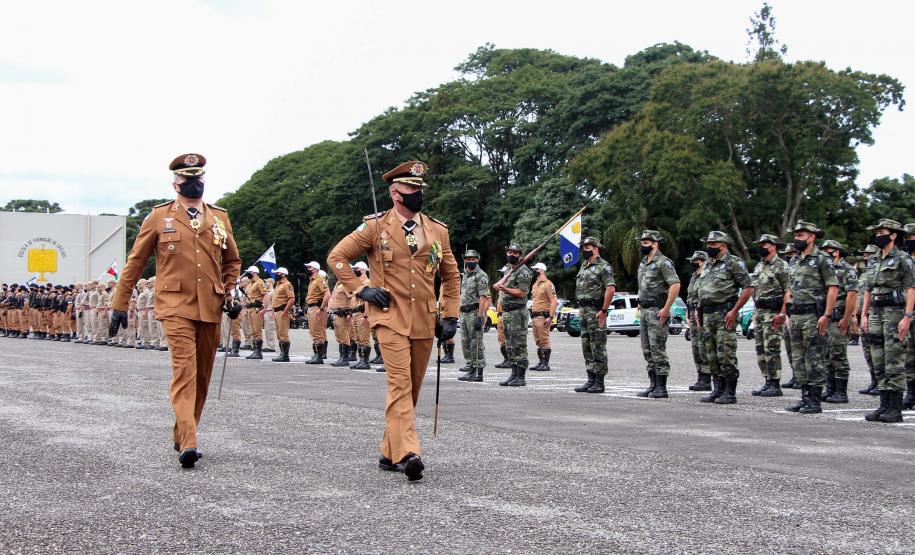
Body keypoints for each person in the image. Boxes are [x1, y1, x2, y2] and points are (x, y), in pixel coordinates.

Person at [327, 159, 460, 481]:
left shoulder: (437, 230)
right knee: (399, 383)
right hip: (389, 316)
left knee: (411, 388)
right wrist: (362, 289)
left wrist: (451, 315)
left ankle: (389, 450)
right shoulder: (375, 226)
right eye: (411, 188)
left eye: (419, 188)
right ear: (394, 192)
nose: (417, 192)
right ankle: (407, 453)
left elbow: (451, 275)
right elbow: (337, 257)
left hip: (424, 319)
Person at [108, 153, 241, 468]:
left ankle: (182, 432)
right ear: (175, 184)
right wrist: (119, 303)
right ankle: (190, 444)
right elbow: (135, 263)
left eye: (198, 178)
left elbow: (232, 261)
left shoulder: (219, 217)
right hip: (174, 305)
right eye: (187, 179)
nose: (194, 183)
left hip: (210, 305)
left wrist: (231, 290)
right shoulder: (158, 217)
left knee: (203, 377)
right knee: (185, 371)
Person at [860, 219, 915, 423]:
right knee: (879, 359)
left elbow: (911, 288)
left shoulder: (903, 259)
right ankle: (883, 405)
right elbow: (867, 289)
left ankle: (895, 408)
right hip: (875, 312)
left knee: (894, 360)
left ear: (893, 235)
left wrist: (907, 317)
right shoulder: (874, 259)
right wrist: (864, 315)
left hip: (894, 313)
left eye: (882, 232)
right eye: (876, 233)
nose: (877, 236)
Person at [784, 221, 839, 415]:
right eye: (796, 235)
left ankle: (815, 400)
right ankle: (805, 398)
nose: (797, 238)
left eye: (801, 235)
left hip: (813, 315)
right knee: (798, 359)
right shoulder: (795, 260)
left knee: (814, 359)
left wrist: (826, 314)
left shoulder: (822, 258)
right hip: (796, 314)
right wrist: (786, 313)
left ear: (812, 237)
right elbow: (789, 289)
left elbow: (833, 287)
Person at [695, 230, 753, 404]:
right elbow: (703, 288)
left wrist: (734, 310)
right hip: (707, 313)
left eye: (713, 244)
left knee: (725, 353)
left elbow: (748, 287)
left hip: (724, 313)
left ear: (723, 245)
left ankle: (729, 391)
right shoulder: (709, 264)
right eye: (708, 244)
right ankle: (717, 389)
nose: (709, 247)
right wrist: (699, 309)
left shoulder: (733, 263)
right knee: (711, 354)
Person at [635, 230, 681, 398]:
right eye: (642, 242)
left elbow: (675, 285)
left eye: (646, 243)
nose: (643, 245)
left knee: (658, 348)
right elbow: (643, 285)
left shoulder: (663, 262)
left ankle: (661, 387)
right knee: (647, 349)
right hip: (646, 310)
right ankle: (652, 384)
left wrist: (667, 308)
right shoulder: (644, 263)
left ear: (655, 244)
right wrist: (640, 302)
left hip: (657, 310)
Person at [573, 237, 616, 394]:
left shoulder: (603, 266)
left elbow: (610, 288)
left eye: (588, 247)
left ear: (596, 248)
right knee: (586, 346)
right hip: (584, 310)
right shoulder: (584, 266)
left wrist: (604, 310)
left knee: (598, 346)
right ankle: (590, 379)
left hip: (596, 310)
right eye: (583, 247)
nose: (585, 249)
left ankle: (599, 381)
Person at [749, 234, 790, 398]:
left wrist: (782, 313)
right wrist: (754, 313)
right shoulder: (759, 265)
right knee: (760, 349)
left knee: (771, 348)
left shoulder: (781, 265)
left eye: (765, 244)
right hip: (760, 311)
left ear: (774, 246)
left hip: (773, 312)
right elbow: (756, 290)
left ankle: (774, 383)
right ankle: (767, 380)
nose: (761, 247)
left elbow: (788, 290)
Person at [820, 240, 858, 403]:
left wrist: (846, 318)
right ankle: (830, 390)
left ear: (837, 252)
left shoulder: (846, 270)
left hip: (839, 317)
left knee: (838, 355)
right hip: (827, 318)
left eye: (828, 250)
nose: (825, 253)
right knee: (827, 356)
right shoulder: (825, 270)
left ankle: (841, 392)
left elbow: (852, 296)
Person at [495, 242, 533, 387]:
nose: (511, 255)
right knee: (510, 345)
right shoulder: (509, 270)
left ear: (520, 255)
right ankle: (513, 374)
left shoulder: (523, 271)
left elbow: (522, 292)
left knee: (519, 344)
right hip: (507, 312)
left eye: (515, 253)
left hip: (517, 312)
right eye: (509, 252)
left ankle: (520, 376)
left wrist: (504, 288)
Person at [457, 249, 491, 382]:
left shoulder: (481, 275)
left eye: (473, 259)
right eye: (468, 259)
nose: (471, 261)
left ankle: (479, 372)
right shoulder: (465, 274)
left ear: (478, 259)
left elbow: (483, 297)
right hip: (464, 313)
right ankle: (471, 367)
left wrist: (480, 316)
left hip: (474, 312)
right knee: (465, 342)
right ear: (464, 260)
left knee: (476, 342)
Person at [855, 244, 881, 395]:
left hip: (876, 314)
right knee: (867, 352)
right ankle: (874, 380)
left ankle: (880, 382)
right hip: (863, 315)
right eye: (865, 255)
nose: (866, 257)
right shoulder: (865, 273)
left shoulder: (878, 271)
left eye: (869, 254)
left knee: (877, 351)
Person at [685, 251, 711, 391]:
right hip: (692, 312)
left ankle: (706, 378)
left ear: (700, 261)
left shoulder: (705, 275)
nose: (691, 263)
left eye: (693, 261)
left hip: (700, 313)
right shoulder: (694, 276)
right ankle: (700, 376)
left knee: (702, 346)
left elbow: (704, 294)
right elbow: (690, 295)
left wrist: (697, 311)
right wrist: (687, 313)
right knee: (695, 346)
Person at [528, 262, 557, 372]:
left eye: (535, 270)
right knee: (538, 341)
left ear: (541, 271)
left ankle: (546, 363)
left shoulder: (548, 284)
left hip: (543, 316)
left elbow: (554, 301)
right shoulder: (535, 284)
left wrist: (550, 316)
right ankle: (541, 362)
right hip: (535, 316)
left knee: (544, 340)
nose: (533, 272)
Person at [304, 261, 330, 364]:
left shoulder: (319, 279)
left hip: (316, 308)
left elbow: (327, 294)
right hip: (311, 308)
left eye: (310, 267)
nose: (308, 269)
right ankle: (316, 355)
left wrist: (322, 308)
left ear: (315, 269)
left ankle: (319, 357)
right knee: (313, 332)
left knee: (317, 333)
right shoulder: (312, 280)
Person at [350, 262, 373, 369]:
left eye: (357, 269)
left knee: (364, 338)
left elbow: (368, 300)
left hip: (362, 313)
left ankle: (365, 362)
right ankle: (361, 360)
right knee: (358, 339)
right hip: (355, 313)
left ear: (363, 270)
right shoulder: (357, 283)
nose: (355, 270)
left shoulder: (367, 283)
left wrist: (366, 315)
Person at [902, 223, 915, 410]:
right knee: (909, 355)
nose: (909, 241)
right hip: (908, 313)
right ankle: (912, 393)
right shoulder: (904, 261)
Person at [243, 266, 268, 360]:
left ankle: (258, 352)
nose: (247, 274)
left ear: (254, 273)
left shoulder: (259, 282)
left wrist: (264, 309)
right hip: (250, 309)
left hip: (256, 308)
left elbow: (265, 295)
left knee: (257, 330)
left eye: (249, 272)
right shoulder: (250, 284)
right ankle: (255, 351)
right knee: (253, 331)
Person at [271, 267, 295, 363]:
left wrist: (285, 312)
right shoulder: (277, 285)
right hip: (277, 311)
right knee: (279, 334)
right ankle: (282, 353)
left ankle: (285, 355)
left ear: (284, 274)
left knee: (283, 334)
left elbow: (292, 299)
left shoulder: (287, 284)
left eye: (278, 273)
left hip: (282, 311)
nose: (276, 274)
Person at [329, 279, 354, 367]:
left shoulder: (346, 284)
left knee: (344, 336)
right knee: (339, 337)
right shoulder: (338, 284)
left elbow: (352, 298)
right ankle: (341, 357)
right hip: (336, 313)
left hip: (343, 314)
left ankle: (345, 359)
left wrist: (350, 312)